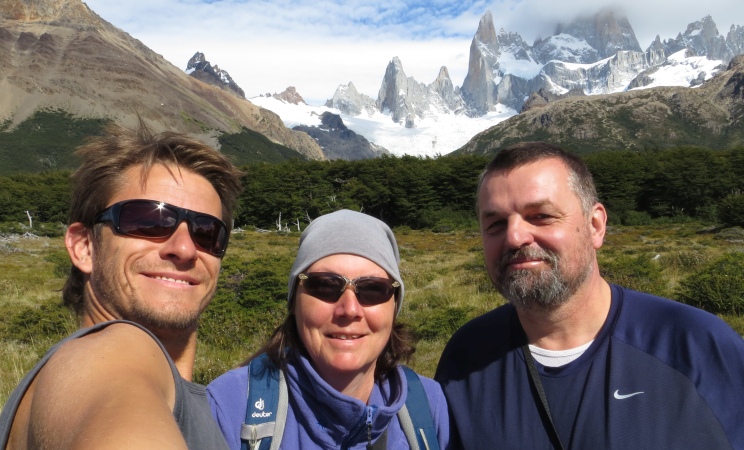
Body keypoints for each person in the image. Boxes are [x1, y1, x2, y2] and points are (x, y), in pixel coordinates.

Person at [435, 142, 744, 450]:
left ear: (595, 225)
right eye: (495, 224)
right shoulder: (465, 356)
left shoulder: (696, 344)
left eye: (541, 215)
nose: (514, 236)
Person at [0, 123, 243, 449]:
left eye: (207, 231)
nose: (184, 248)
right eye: (149, 220)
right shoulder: (112, 352)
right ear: (85, 247)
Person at [207, 209, 450, 450]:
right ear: (294, 302)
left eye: (373, 289)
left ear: (394, 305)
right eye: (325, 286)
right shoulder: (229, 407)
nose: (349, 309)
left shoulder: (428, 405)